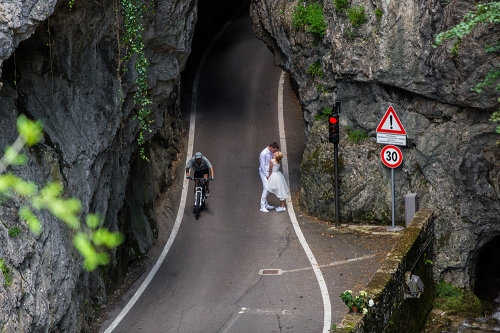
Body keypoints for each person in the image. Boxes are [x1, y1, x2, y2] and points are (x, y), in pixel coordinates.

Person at [259, 142, 279, 212]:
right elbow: (262, 165)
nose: (274, 151)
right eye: (274, 150)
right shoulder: (263, 153)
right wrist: (267, 175)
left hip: (269, 172)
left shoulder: (271, 152)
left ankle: (265, 204)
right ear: (271, 147)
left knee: (267, 188)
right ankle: (262, 206)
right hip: (263, 172)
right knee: (266, 188)